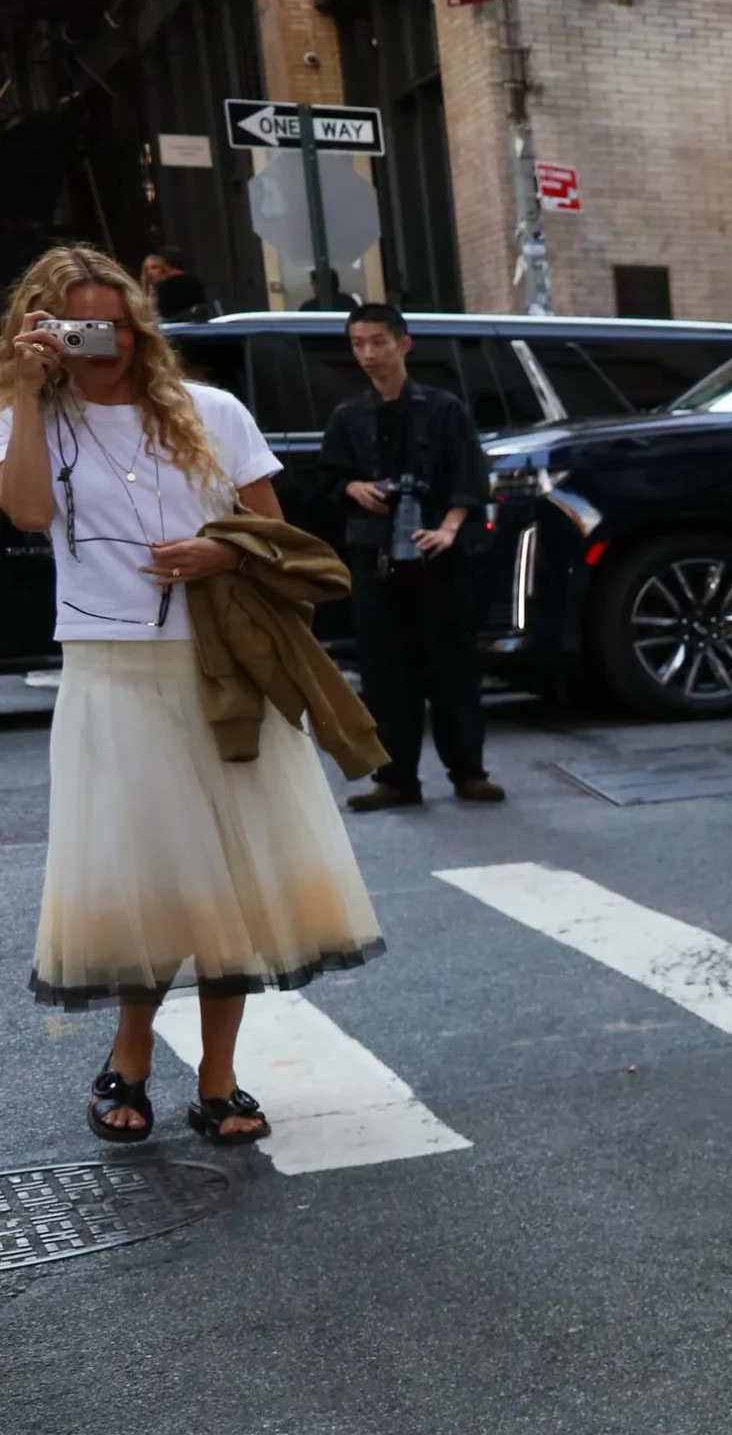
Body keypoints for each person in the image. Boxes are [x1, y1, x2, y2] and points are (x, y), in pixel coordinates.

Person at [5, 246, 382, 1142]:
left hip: (220, 661)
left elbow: (274, 536)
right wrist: (21, 390)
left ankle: (219, 1075)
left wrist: (221, 551)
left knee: (235, 879)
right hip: (110, 671)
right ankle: (127, 1059)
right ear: (46, 329)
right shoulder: (34, 422)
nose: (111, 342)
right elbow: (25, 514)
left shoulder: (212, 411)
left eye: (122, 320)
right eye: (85, 325)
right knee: (149, 876)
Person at [319, 303, 504, 810]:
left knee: (453, 666)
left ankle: (468, 770)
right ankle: (395, 778)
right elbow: (328, 480)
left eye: (378, 341)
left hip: (439, 556)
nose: (368, 353)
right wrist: (355, 487)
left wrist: (448, 529)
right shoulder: (348, 414)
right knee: (383, 671)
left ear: (404, 343)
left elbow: (470, 476)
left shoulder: (443, 408)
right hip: (375, 555)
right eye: (358, 344)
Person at [140, 248, 213, 323]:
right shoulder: (142, 295)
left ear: (163, 268)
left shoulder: (172, 289)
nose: (150, 272)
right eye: (146, 269)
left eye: (154, 267)